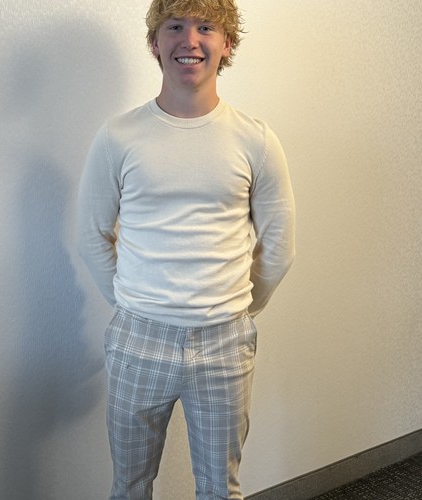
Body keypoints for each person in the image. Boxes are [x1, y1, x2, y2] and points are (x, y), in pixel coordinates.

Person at [77, 0, 295, 498]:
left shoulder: (256, 140)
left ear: (227, 44)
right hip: (138, 339)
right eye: (175, 26)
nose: (189, 40)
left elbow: (280, 244)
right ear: (155, 42)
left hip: (224, 341)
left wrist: (235, 307)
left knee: (220, 488)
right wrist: (136, 302)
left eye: (206, 27)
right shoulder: (118, 137)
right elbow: (91, 235)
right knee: (130, 486)